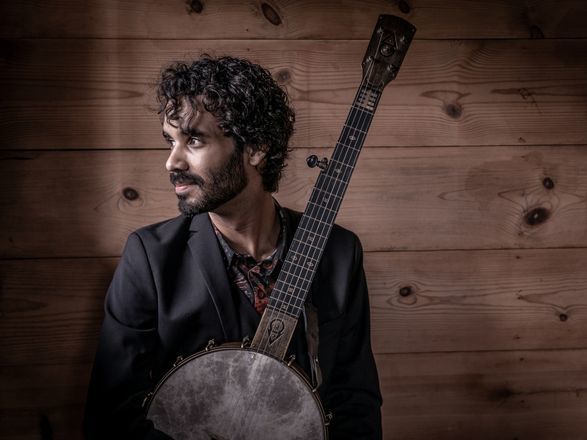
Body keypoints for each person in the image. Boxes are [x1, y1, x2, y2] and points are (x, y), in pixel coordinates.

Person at [83, 55, 382, 439]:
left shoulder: (339, 253)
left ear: (255, 148)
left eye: (193, 139)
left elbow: (356, 401)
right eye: (170, 141)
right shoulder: (150, 257)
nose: (172, 161)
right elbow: (110, 417)